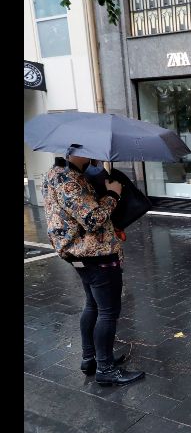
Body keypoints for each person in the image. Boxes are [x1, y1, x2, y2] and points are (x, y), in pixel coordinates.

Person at [41, 155, 145, 387]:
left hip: (79, 254)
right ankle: (105, 369)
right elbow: (92, 219)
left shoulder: (54, 173)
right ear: (77, 149)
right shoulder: (70, 180)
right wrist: (113, 193)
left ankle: (91, 359)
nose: (95, 156)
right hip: (95, 255)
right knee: (108, 312)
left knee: (93, 304)